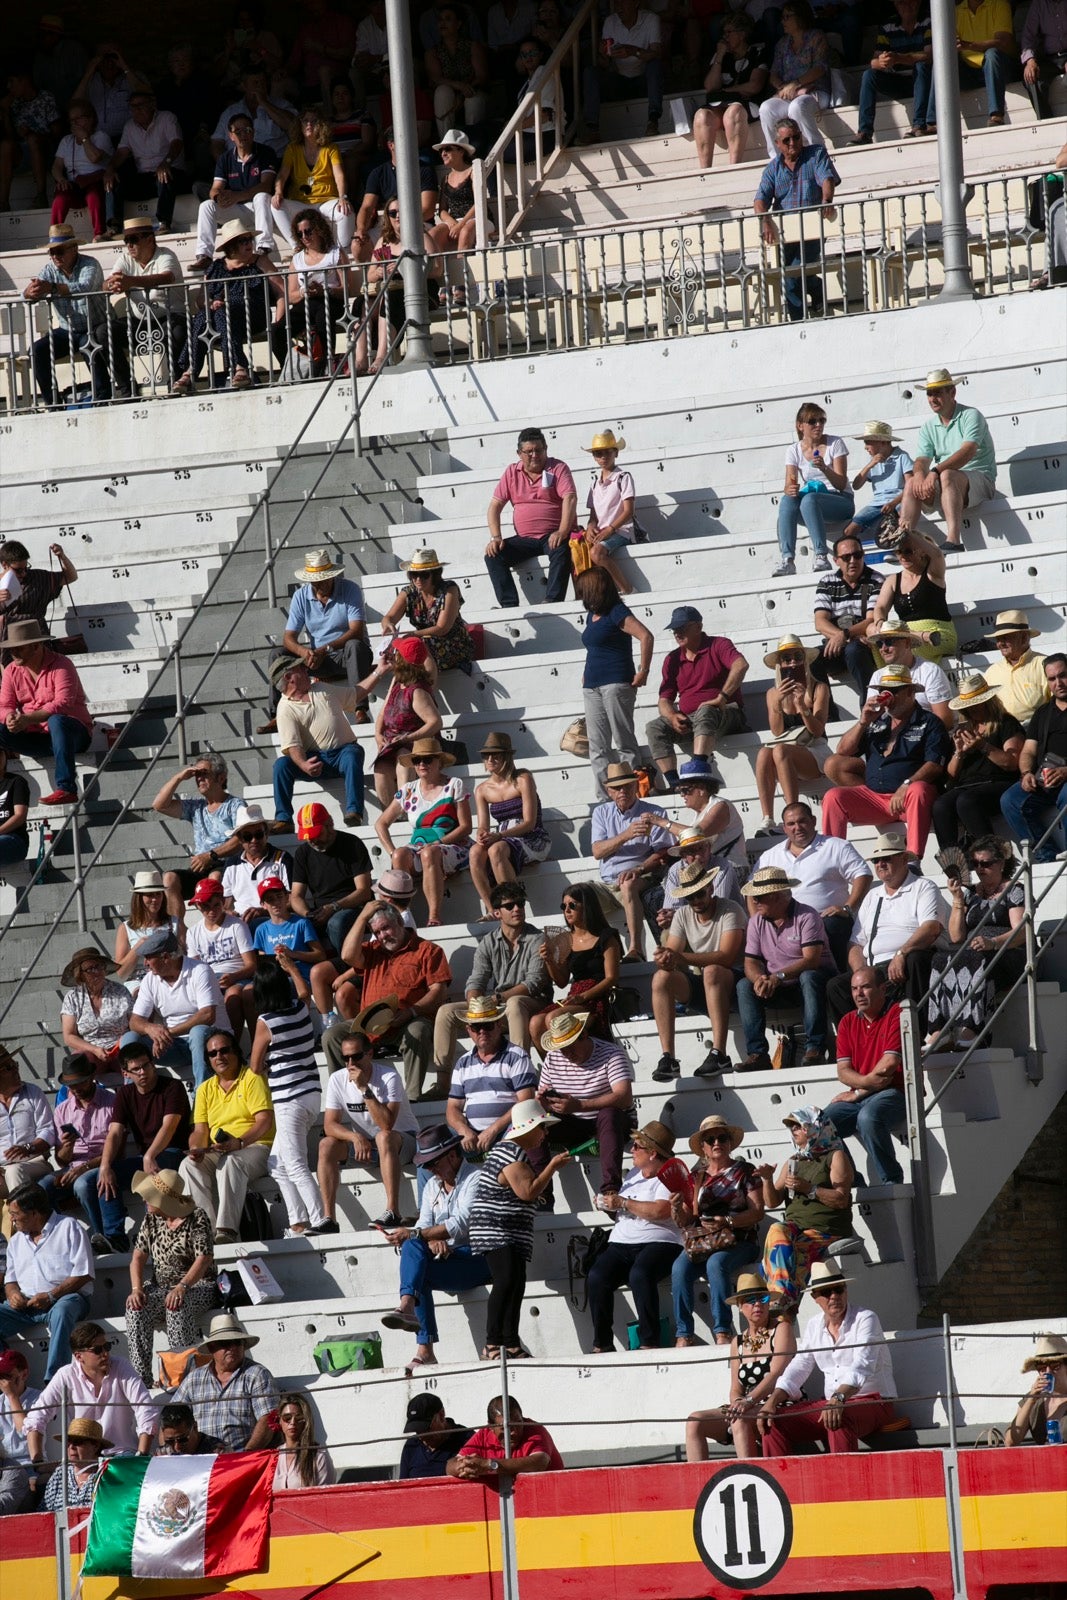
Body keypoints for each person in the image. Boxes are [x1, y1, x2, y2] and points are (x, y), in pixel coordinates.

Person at [380, 1125, 491, 1372]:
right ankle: (419, 1335)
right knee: (413, 1250)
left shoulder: (476, 1178)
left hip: (477, 1259)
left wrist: (421, 1235)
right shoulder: (433, 1185)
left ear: (452, 1154)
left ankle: (411, 1316)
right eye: (426, 1165)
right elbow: (424, 1226)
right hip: (450, 1259)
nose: (429, 1169)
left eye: (433, 1163)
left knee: (413, 1244)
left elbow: (462, 1223)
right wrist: (430, 1240)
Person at [757, 1257, 896, 1453]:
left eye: (838, 1289)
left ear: (845, 1291)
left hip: (875, 1401)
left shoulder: (866, 1318)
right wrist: (771, 1402)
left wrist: (839, 1398)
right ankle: (780, 1481)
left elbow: (863, 1364)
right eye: (826, 1292)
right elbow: (800, 1365)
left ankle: (843, 1481)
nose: (834, 1296)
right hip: (833, 1402)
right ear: (815, 1297)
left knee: (837, 1417)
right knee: (774, 1421)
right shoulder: (814, 1325)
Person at [468, 1098, 569, 1360]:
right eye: (542, 1128)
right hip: (497, 1231)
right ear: (528, 1128)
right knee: (506, 1282)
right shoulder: (511, 1152)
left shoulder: (511, 1152)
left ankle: (510, 1342)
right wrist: (552, 1167)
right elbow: (527, 1191)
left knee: (515, 1283)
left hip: (508, 1232)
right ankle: (493, 1343)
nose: (544, 1134)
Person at [822, 665, 952, 859]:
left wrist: (906, 785)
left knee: (918, 790)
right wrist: (863, 722)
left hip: (910, 797)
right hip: (876, 797)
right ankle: (830, 860)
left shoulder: (929, 721)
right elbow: (843, 751)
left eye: (893, 691)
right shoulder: (877, 722)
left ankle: (913, 859)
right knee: (833, 796)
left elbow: (934, 764)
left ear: (910, 692)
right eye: (884, 691)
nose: (887, 696)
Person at [327, 902, 451, 1100]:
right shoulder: (373, 950)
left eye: (386, 928)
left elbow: (439, 991)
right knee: (332, 1036)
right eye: (377, 932)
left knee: (417, 1031)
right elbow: (347, 955)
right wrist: (361, 917)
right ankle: (347, 1096)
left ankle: (411, 1098)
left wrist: (410, 1012)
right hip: (369, 1025)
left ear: (400, 922)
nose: (383, 935)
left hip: (407, 1021)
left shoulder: (428, 950)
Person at [586, 1120, 689, 1353]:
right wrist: (607, 1204)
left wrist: (622, 1202)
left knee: (640, 1275)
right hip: (623, 1242)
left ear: (652, 1153)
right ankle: (601, 1344)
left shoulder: (669, 1173)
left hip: (660, 1241)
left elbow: (660, 1210)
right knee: (597, 1276)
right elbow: (627, 1209)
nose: (631, 1150)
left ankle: (649, 1341)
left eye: (637, 1146)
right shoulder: (634, 1173)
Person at [827, 830, 945, 1023]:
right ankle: (859, 1042)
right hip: (876, 969)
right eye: (876, 860)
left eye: (886, 858)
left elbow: (931, 928)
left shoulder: (923, 887)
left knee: (915, 960)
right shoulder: (872, 896)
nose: (880, 864)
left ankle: (919, 1030)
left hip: (907, 961)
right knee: (835, 986)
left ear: (904, 858)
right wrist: (860, 972)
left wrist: (901, 954)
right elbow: (855, 944)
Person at [249, 951, 328, 1234]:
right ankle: (298, 1221)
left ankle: (321, 1220)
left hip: (288, 1099)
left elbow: (255, 1066)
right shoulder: (300, 1007)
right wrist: (292, 968)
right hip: (311, 1094)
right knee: (277, 1164)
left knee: (294, 1165)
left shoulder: (265, 1022)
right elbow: (305, 991)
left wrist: (271, 1059)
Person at [435, 880, 549, 1071]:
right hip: (499, 1007)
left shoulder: (538, 939)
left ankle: (520, 1071)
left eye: (520, 904)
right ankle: (443, 1080)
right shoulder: (488, 942)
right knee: (446, 1012)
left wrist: (497, 998)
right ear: (497, 913)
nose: (517, 909)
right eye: (509, 905)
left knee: (515, 1003)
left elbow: (533, 984)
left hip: (532, 1003)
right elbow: (476, 980)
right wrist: (475, 1005)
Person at [318, 1018, 419, 1230]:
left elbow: (387, 1124)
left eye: (356, 1056)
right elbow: (329, 1125)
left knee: (384, 1137)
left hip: (403, 1141)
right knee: (326, 1145)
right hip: (366, 1146)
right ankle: (329, 1219)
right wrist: (354, 1137)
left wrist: (364, 1088)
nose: (350, 1064)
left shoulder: (389, 1076)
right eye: (345, 1058)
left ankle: (393, 1211)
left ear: (370, 1054)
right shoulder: (338, 1079)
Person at [925, 837, 1024, 1052]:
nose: (980, 869)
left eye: (986, 864)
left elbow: (1022, 931)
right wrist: (958, 899)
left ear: (1001, 863)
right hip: (974, 950)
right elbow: (956, 936)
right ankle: (938, 1030)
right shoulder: (971, 893)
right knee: (939, 959)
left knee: (977, 959)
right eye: (976, 864)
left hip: (1007, 952)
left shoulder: (1014, 890)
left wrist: (993, 943)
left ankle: (972, 1028)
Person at [671, 1115, 763, 1346]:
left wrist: (728, 1222)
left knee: (715, 1264)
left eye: (721, 1137)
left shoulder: (745, 1170)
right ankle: (684, 1333)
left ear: (730, 1142)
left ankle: (723, 1331)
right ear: (702, 1148)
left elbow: (757, 1211)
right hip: (705, 1242)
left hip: (740, 1240)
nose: (716, 1143)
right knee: (679, 1267)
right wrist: (675, 1207)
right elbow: (686, 1219)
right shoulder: (696, 1177)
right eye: (710, 1139)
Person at [685, 1272, 796, 1460]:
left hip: (777, 1402)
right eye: (750, 1300)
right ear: (740, 1306)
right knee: (694, 1421)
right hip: (746, 1406)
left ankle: (749, 1474)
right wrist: (738, 1402)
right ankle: (697, 1485)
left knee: (739, 1420)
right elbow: (736, 1387)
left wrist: (749, 1401)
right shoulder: (738, 1341)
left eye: (763, 1298)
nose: (758, 1304)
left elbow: (777, 1373)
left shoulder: (781, 1329)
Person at [652, 863, 746, 1081]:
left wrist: (677, 957)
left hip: (738, 984)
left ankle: (719, 1053)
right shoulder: (683, 914)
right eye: (690, 897)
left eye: (699, 894)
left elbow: (727, 957)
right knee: (660, 978)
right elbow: (672, 957)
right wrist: (663, 958)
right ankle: (668, 1057)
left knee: (713, 971)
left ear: (711, 888)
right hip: (709, 984)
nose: (695, 901)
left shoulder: (731, 909)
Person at [178, 1030, 274, 1245]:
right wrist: (196, 1148)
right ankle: (206, 1232)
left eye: (224, 1050)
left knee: (231, 1162)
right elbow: (201, 1130)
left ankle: (226, 1230)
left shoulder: (252, 1077)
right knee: (188, 1165)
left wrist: (239, 1142)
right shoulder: (204, 1089)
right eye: (212, 1054)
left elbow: (264, 1121)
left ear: (236, 1052)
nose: (219, 1056)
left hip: (255, 1146)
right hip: (221, 1149)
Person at [125, 1168, 217, 1388]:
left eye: (150, 1197)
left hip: (198, 1285)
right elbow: (137, 1258)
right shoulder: (151, 1220)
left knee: (177, 1304)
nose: (145, 1200)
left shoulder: (196, 1217)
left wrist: (183, 1286)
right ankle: (142, 1379)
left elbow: (204, 1258)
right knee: (136, 1307)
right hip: (161, 1286)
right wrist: (136, 1289)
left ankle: (179, 1375)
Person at [736, 864, 834, 1071]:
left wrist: (777, 976)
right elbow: (750, 962)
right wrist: (759, 979)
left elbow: (812, 960)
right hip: (781, 982)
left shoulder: (807, 916)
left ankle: (815, 1046)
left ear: (777, 895)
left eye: (759, 897)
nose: (754, 901)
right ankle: (757, 1053)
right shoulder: (756, 922)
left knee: (809, 976)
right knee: (745, 985)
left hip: (814, 981)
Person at [171, 217, 283, 394]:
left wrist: (279, 322)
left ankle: (237, 366)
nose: (249, 244)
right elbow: (200, 299)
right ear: (231, 246)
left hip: (253, 314)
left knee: (220, 311)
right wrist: (210, 303)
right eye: (243, 241)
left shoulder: (260, 262)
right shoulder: (215, 267)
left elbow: (280, 293)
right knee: (203, 315)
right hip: (221, 317)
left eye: (249, 239)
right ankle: (191, 370)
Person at [755, 1109, 855, 1307]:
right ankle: (783, 1298)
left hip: (826, 1230)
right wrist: (767, 1179)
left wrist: (809, 1189)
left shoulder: (835, 1157)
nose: (794, 1130)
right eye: (791, 1127)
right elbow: (772, 1202)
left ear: (815, 1127)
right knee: (777, 1230)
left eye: (799, 1126)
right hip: (796, 1229)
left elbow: (841, 1199)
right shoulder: (794, 1161)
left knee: (786, 1258)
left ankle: (782, 1304)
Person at [757, 802, 872, 973]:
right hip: (783, 924)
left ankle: (838, 980)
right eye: (791, 824)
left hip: (825, 920)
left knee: (834, 924)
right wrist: (759, 921)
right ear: (784, 828)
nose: (797, 827)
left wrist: (847, 908)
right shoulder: (770, 856)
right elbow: (752, 888)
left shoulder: (836, 846)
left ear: (813, 821)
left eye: (802, 821)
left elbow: (863, 875)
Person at [646, 607, 749, 787]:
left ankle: (698, 768)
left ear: (698, 626)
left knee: (706, 710)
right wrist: (672, 716)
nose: (677, 633)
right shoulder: (672, 659)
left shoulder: (718, 644)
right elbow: (664, 700)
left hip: (725, 712)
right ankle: (675, 783)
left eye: (682, 628)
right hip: (694, 719)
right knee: (654, 727)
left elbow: (741, 665)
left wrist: (722, 698)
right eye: (674, 629)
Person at [897, 367, 997, 553]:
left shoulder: (971, 415)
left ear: (952, 392)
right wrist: (920, 475)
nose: (932, 399)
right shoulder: (928, 426)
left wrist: (934, 472)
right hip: (950, 482)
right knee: (912, 481)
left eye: (938, 393)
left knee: (947, 475)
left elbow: (967, 452)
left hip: (981, 480)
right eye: (929, 393)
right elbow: (921, 460)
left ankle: (953, 541)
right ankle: (905, 545)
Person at [375, 736, 472, 927]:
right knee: (400, 855)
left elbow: (465, 826)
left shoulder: (454, 785)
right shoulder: (408, 790)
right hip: (420, 847)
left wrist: (439, 842)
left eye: (427, 759)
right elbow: (381, 823)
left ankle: (434, 916)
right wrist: (391, 851)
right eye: (416, 760)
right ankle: (404, 915)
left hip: (453, 845)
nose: (421, 764)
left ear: (439, 762)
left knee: (429, 852)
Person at [25, 1319, 155, 1458]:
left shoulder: (121, 1366)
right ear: (79, 1357)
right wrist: (37, 1461)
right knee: (57, 1477)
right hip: (83, 1457)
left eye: (107, 1346)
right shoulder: (66, 1374)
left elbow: (145, 1408)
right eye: (98, 1350)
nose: (105, 1353)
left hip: (121, 1454)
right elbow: (37, 1416)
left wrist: (141, 1455)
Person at [0, 1185, 92, 1380]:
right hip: (25, 1306)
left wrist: (51, 1296)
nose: (11, 1219)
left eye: (15, 1214)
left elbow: (84, 1274)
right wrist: (12, 1294)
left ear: (34, 1213)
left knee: (62, 1311)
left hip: (64, 1299)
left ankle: (55, 1380)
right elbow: (10, 1280)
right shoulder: (16, 1241)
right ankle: (6, 1375)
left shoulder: (69, 1226)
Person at [537, 1010, 635, 1194]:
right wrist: (545, 1103)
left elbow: (624, 1097)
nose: (566, 1053)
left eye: (570, 1046)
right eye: (562, 1048)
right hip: (573, 1123)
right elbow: (544, 1096)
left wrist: (580, 1105)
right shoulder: (553, 1057)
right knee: (534, 1121)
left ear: (584, 1035)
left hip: (608, 1123)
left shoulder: (611, 1053)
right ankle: (540, 1192)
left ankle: (610, 1190)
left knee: (609, 1114)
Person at [753, 118, 839, 327]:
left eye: (796, 137)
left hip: (811, 230)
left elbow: (826, 178)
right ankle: (806, 307)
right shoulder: (772, 169)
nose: (793, 143)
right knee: (790, 277)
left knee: (793, 275)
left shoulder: (815, 153)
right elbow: (759, 199)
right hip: (784, 235)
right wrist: (765, 221)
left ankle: (799, 324)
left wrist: (826, 200)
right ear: (778, 143)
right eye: (787, 140)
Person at [824, 967, 905, 1184]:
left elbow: (889, 1065)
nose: (859, 994)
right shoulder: (847, 1022)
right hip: (862, 1095)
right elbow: (843, 1071)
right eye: (854, 989)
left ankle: (892, 1181)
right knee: (821, 1125)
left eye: (865, 987)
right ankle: (852, 1181)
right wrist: (865, 1086)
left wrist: (858, 1091)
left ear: (883, 988)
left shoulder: (896, 1013)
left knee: (867, 1117)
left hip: (896, 1092)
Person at [577, 568, 653, 798]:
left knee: (623, 740)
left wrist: (644, 670)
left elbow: (645, 636)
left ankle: (634, 791)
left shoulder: (616, 611)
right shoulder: (593, 615)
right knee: (597, 746)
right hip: (593, 685)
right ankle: (605, 798)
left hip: (616, 682)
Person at [0, 618, 92, 808]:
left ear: (36, 646)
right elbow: (4, 705)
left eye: (19, 648)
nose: (14, 653)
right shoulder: (11, 670)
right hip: (37, 737)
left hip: (72, 735)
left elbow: (63, 704)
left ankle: (67, 788)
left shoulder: (62, 664)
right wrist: (10, 718)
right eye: (11, 648)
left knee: (57, 721)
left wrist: (27, 719)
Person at [270, 658, 366, 832]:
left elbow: (355, 693)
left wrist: (379, 671)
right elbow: (293, 746)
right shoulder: (284, 709)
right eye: (301, 668)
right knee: (281, 765)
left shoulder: (321, 688)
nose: (307, 670)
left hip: (343, 753)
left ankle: (354, 812)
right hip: (315, 759)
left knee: (352, 754)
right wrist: (304, 765)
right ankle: (283, 819)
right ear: (289, 677)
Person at [593, 762, 676, 963]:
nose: (622, 791)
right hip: (608, 883)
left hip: (642, 876)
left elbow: (663, 852)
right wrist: (626, 835)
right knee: (578, 896)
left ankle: (635, 949)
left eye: (627, 786)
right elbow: (597, 851)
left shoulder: (653, 812)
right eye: (617, 788)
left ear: (636, 785)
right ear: (608, 791)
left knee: (628, 883)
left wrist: (638, 869)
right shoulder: (601, 812)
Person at [485, 428, 577, 608]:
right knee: (493, 555)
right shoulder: (512, 472)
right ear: (519, 454)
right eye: (529, 452)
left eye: (539, 450)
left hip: (552, 535)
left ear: (546, 449)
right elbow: (494, 506)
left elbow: (570, 497)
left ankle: (552, 600)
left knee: (561, 550)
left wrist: (562, 530)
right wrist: (496, 537)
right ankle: (509, 605)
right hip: (524, 539)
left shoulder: (558, 468)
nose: (534, 455)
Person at [96, 1037, 192, 1206]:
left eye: (145, 1065)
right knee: (97, 1179)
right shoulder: (124, 1094)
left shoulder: (173, 1087)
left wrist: (150, 1155)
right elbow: (115, 1132)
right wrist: (105, 1166)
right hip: (145, 1158)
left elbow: (169, 1126)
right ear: (125, 1073)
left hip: (173, 1153)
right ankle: (113, 1232)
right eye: (136, 1069)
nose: (142, 1072)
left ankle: (154, 1226)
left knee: (156, 1170)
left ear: (153, 1064)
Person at [130, 928, 230, 1088]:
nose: (145, 963)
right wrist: (151, 1029)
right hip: (173, 1045)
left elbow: (207, 1015)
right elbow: (135, 1022)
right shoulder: (150, 979)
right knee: (130, 1040)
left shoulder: (200, 970)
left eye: (149, 957)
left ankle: (202, 1097)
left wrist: (166, 1034)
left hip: (211, 1042)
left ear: (166, 957)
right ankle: (133, 1097)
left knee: (198, 1032)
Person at [41, 1055, 121, 1253]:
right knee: (42, 1188)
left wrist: (84, 1168)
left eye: (79, 1083)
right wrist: (67, 1147)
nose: (75, 1089)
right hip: (73, 1166)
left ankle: (101, 1236)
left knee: (83, 1184)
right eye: (71, 1085)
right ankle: (57, 1238)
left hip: (102, 1162)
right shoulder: (62, 1110)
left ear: (91, 1077)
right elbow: (60, 1159)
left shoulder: (112, 1103)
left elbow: (116, 1151)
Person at [933, 675, 1023, 849]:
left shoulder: (1006, 723)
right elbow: (951, 775)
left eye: (976, 703)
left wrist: (983, 745)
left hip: (998, 781)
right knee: (940, 805)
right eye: (968, 705)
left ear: (987, 701)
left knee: (967, 801)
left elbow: (1012, 762)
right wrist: (959, 753)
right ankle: (953, 864)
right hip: (966, 784)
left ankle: (991, 855)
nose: (971, 708)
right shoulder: (964, 729)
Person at [755, 634, 833, 834]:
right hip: (790, 751)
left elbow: (817, 731)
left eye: (798, 656)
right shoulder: (773, 693)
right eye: (787, 659)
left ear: (805, 660)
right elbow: (777, 730)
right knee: (764, 753)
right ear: (779, 665)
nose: (793, 662)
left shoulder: (819, 687)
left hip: (815, 750)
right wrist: (778, 703)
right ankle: (768, 817)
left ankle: (793, 813)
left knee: (779, 751)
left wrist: (801, 706)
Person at [467, 733, 551, 916]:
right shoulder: (482, 789)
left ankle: (515, 906)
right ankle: (493, 909)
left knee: (495, 850)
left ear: (506, 757)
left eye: (495, 755)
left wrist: (499, 836)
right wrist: (482, 834)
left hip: (530, 836)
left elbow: (529, 822)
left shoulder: (523, 778)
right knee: (474, 852)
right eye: (486, 755)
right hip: (502, 837)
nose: (490, 759)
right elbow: (483, 825)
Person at [22, 224, 109, 404]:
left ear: (74, 248)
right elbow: (30, 295)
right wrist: (28, 293)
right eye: (52, 252)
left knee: (89, 344)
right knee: (37, 351)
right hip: (67, 330)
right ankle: (53, 403)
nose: (55, 256)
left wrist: (51, 287)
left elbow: (84, 287)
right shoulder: (49, 270)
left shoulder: (90, 263)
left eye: (59, 251)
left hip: (96, 325)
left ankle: (103, 397)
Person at [443, 999, 538, 1159]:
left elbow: (525, 1102)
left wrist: (492, 1130)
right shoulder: (463, 1063)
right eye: (476, 1027)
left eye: (487, 1025)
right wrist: (463, 1130)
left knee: (520, 1131)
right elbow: (452, 1108)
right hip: (471, 1135)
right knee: (430, 1148)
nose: (482, 1031)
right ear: (468, 1030)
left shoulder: (517, 1056)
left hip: (507, 1130)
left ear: (498, 1025)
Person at [533, 880, 624, 1046]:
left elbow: (611, 978)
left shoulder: (606, 937)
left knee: (554, 1018)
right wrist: (549, 961)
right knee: (535, 1023)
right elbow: (561, 982)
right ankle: (556, 1067)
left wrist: (582, 996)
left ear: (587, 906)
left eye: (572, 905)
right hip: (574, 996)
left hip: (597, 996)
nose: (567, 910)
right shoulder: (565, 939)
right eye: (564, 906)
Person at [174, 1311, 279, 1452]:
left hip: (241, 1457)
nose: (232, 1348)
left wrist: (246, 1455)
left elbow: (268, 1420)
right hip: (201, 1462)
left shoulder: (257, 1374)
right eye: (225, 1343)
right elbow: (172, 1416)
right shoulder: (194, 1379)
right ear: (212, 1347)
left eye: (237, 1342)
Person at [281, 549, 372, 709]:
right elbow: (288, 638)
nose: (320, 584)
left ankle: (360, 707)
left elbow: (356, 631)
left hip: (346, 656)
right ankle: (280, 710)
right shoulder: (300, 596)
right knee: (278, 655)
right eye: (316, 581)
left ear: (332, 575)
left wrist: (325, 649)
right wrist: (305, 653)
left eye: (324, 579)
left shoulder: (350, 589)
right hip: (318, 659)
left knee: (355, 646)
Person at [771, 401, 852, 579]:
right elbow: (788, 483)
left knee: (809, 500)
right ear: (800, 426)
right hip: (812, 504)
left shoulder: (835, 443)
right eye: (812, 421)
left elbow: (840, 483)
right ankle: (787, 559)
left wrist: (824, 468)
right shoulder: (793, 450)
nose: (818, 425)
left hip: (840, 500)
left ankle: (821, 555)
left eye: (822, 420)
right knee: (787, 500)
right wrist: (790, 489)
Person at [1000, 654, 1067, 863]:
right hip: (1045, 776)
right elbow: (1028, 751)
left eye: (1063, 676)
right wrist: (1026, 773)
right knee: (1010, 800)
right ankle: (1047, 857)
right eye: (1052, 679)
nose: (1058, 683)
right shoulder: (1043, 713)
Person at [269, 206, 350, 378]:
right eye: (300, 234)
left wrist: (325, 290)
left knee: (322, 315)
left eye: (308, 231)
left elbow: (345, 289)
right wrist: (305, 291)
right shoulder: (297, 259)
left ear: (319, 229)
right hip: (306, 304)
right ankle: (292, 369)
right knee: (276, 330)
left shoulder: (335, 253)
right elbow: (290, 295)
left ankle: (326, 364)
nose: (304, 237)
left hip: (331, 301)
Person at [191, 112, 276, 272]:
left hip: (260, 209)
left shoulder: (265, 152)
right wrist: (218, 197)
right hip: (237, 210)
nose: (243, 134)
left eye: (247, 130)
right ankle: (204, 255)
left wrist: (239, 195)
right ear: (231, 135)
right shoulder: (225, 158)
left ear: (253, 132)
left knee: (261, 196)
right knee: (207, 205)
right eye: (238, 131)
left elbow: (266, 186)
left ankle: (263, 247)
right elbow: (215, 188)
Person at [151, 755, 243, 899]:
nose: (199, 778)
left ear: (221, 777)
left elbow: (241, 839)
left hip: (226, 865)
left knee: (214, 877)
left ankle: (216, 921)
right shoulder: (196, 806)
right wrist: (179, 778)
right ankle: (177, 922)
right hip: (200, 868)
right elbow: (159, 805)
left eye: (204, 773)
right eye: (197, 774)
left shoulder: (235, 805)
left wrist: (210, 855)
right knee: (169, 878)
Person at [290, 802, 373, 958]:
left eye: (316, 835)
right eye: (308, 837)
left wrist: (334, 907)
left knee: (336, 923)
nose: (312, 840)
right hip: (320, 912)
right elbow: (295, 896)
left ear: (329, 824)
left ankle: (346, 966)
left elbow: (364, 892)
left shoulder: (352, 844)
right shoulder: (303, 852)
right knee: (293, 926)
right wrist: (307, 914)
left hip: (352, 907)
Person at [369, 634, 442, 810]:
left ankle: (407, 811)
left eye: (396, 652)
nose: (393, 654)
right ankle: (392, 816)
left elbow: (435, 723)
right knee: (380, 768)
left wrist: (407, 738)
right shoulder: (397, 681)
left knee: (404, 758)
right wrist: (378, 735)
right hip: (392, 742)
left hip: (415, 744)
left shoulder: (418, 690)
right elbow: (383, 713)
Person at [104, 218, 186, 374]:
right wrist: (112, 284)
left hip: (171, 316)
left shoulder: (166, 255)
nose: (129, 245)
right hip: (139, 322)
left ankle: (177, 383)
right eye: (126, 240)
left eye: (133, 239)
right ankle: (127, 388)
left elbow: (166, 278)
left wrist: (130, 282)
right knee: (103, 332)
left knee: (176, 331)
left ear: (150, 239)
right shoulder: (125, 259)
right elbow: (106, 283)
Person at [381, 549, 475, 679]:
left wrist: (412, 635)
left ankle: (425, 693)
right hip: (423, 641)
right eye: (414, 575)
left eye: (424, 575)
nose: (418, 579)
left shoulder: (449, 590)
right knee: (409, 648)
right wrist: (388, 624)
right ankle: (411, 692)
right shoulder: (408, 592)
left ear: (435, 574)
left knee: (419, 646)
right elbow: (389, 617)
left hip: (453, 644)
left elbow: (442, 628)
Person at [693, 12, 770, 168]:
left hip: (746, 104)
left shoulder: (757, 53)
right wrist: (720, 55)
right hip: (719, 104)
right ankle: (705, 171)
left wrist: (728, 91)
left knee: (733, 111)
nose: (725, 37)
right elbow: (710, 87)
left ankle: (734, 167)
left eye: (729, 32)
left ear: (742, 34)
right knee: (702, 116)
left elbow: (754, 86)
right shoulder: (721, 56)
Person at [869, 526, 957, 661]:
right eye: (899, 552)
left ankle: (919, 639)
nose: (903, 556)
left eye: (908, 551)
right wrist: (879, 621)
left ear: (922, 551)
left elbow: (937, 554)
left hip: (938, 634)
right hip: (906, 636)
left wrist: (908, 533)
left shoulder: (933, 573)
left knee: (904, 645)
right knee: (872, 631)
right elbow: (880, 607)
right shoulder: (893, 580)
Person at [850, 0, 932, 143]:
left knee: (921, 67)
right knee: (869, 75)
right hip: (898, 81)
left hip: (925, 81)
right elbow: (873, 62)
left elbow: (930, 56)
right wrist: (882, 61)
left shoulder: (928, 21)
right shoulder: (888, 26)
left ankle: (919, 125)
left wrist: (899, 58)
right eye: (902, 2)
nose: (907, 5)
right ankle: (864, 132)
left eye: (910, 2)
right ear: (895, 4)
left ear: (918, 2)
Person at [271, 108, 353, 250]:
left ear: (321, 125)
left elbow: (339, 175)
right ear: (300, 125)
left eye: (314, 121)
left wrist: (342, 197)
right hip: (301, 203)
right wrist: (278, 192)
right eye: (305, 121)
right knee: (274, 204)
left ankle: (341, 251)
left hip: (327, 201)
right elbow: (282, 175)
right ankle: (297, 247)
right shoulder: (292, 148)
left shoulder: (330, 148)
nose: (309, 124)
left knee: (347, 212)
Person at [108, 88, 187, 235]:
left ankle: (164, 223)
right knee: (113, 180)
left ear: (152, 105)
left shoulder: (166, 118)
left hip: (171, 173)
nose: (136, 110)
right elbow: (121, 152)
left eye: (140, 105)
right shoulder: (129, 126)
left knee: (164, 175)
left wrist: (166, 162)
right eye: (133, 106)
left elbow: (176, 142)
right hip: (145, 177)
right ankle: (114, 227)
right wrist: (110, 168)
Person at [352, 131, 438, 263]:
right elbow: (366, 207)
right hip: (389, 225)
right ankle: (377, 278)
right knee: (358, 245)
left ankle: (413, 277)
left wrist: (403, 223)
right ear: (391, 145)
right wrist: (361, 229)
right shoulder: (378, 173)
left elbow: (427, 209)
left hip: (419, 224)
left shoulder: (424, 170)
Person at [581, 0, 664, 139]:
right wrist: (602, 53)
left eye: (623, 1)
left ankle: (653, 121)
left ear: (635, 3)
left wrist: (633, 51)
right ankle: (592, 128)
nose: (618, 6)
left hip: (643, 81)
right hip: (619, 81)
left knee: (654, 65)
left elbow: (656, 53)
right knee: (590, 72)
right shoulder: (610, 22)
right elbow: (605, 64)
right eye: (616, 2)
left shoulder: (650, 19)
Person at [811, 534, 880, 699]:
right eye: (846, 557)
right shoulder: (827, 581)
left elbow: (872, 620)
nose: (852, 560)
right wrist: (844, 637)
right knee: (811, 658)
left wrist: (846, 636)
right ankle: (826, 714)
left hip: (864, 646)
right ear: (836, 560)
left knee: (854, 650)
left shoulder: (876, 580)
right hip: (841, 644)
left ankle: (870, 705)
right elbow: (819, 622)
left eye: (857, 555)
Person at [758, 2, 831, 156]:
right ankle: (776, 158)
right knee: (766, 108)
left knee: (797, 107)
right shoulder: (782, 43)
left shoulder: (816, 37)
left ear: (800, 17)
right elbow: (774, 74)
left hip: (815, 91)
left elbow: (819, 68)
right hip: (789, 94)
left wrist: (795, 84)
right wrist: (783, 87)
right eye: (782, 17)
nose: (782, 21)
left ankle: (817, 152)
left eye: (787, 17)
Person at [186, 878, 256, 1038]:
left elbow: (251, 964)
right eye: (205, 907)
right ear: (197, 906)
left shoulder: (237, 926)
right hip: (210, 979)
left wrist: (234, 976)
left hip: (238, 976)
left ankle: (233, 1044)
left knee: (233, 995)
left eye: (216, 905)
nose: (211, 911)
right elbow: (195, 968)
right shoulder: (193, 932)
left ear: (223, 902)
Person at [580, 429, 640, 594]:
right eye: (599, 453)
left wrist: (610, 529)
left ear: (616, 453)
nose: (603, 457)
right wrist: (591, 527)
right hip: (604, 532)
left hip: (621, 531)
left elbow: (628, 511)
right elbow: (593, 516)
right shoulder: (594, 485)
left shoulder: (623, 477)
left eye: (607, 452)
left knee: (596, 553)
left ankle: (627, 588)